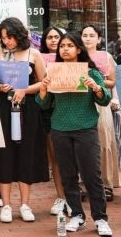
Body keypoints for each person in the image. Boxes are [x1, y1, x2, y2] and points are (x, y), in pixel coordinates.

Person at [37, 32, 113, 236]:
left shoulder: (90, 72)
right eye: (62, 46)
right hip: (60, 129)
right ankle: (77, 215)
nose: (65, 49)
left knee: (91, 175)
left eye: (70, 46)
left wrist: (96, 88)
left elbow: (105, 100)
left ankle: (100, 218)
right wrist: (43, 90)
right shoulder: (53, 72)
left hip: (85, 129)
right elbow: (44, 104)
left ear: (79, 49)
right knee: (68, 175)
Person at [0, 17, 48, 223]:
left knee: (26, 152)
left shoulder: (34, 54)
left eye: (10, 37)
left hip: (27, 108)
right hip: (3, 108)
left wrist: (25, 90)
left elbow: (44, 82)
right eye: (3, 38)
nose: (6, 42)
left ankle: (25, 204)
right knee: (4, 153)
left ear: (19, 35)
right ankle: (6, 204)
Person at [81, 25, 120, 200]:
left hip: (100, 101)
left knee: (103, 140)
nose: (88, 38)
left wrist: (96, 82)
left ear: (99, 39)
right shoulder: (76, 56)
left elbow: (112, 82)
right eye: (85, 35)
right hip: (81, 102)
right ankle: (83, 183)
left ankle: (106, 183)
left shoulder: (106, 56)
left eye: (92, 35)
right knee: (82, 143)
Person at [39, 26, 70, 215]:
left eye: (56, 37)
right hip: (49, 111)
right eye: (49, 37)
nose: (53, 40)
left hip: (72, 111)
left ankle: (73, 196)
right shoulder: (39, 59)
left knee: (74, 158)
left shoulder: (76, 61)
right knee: (56, 158)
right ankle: (61, 197)